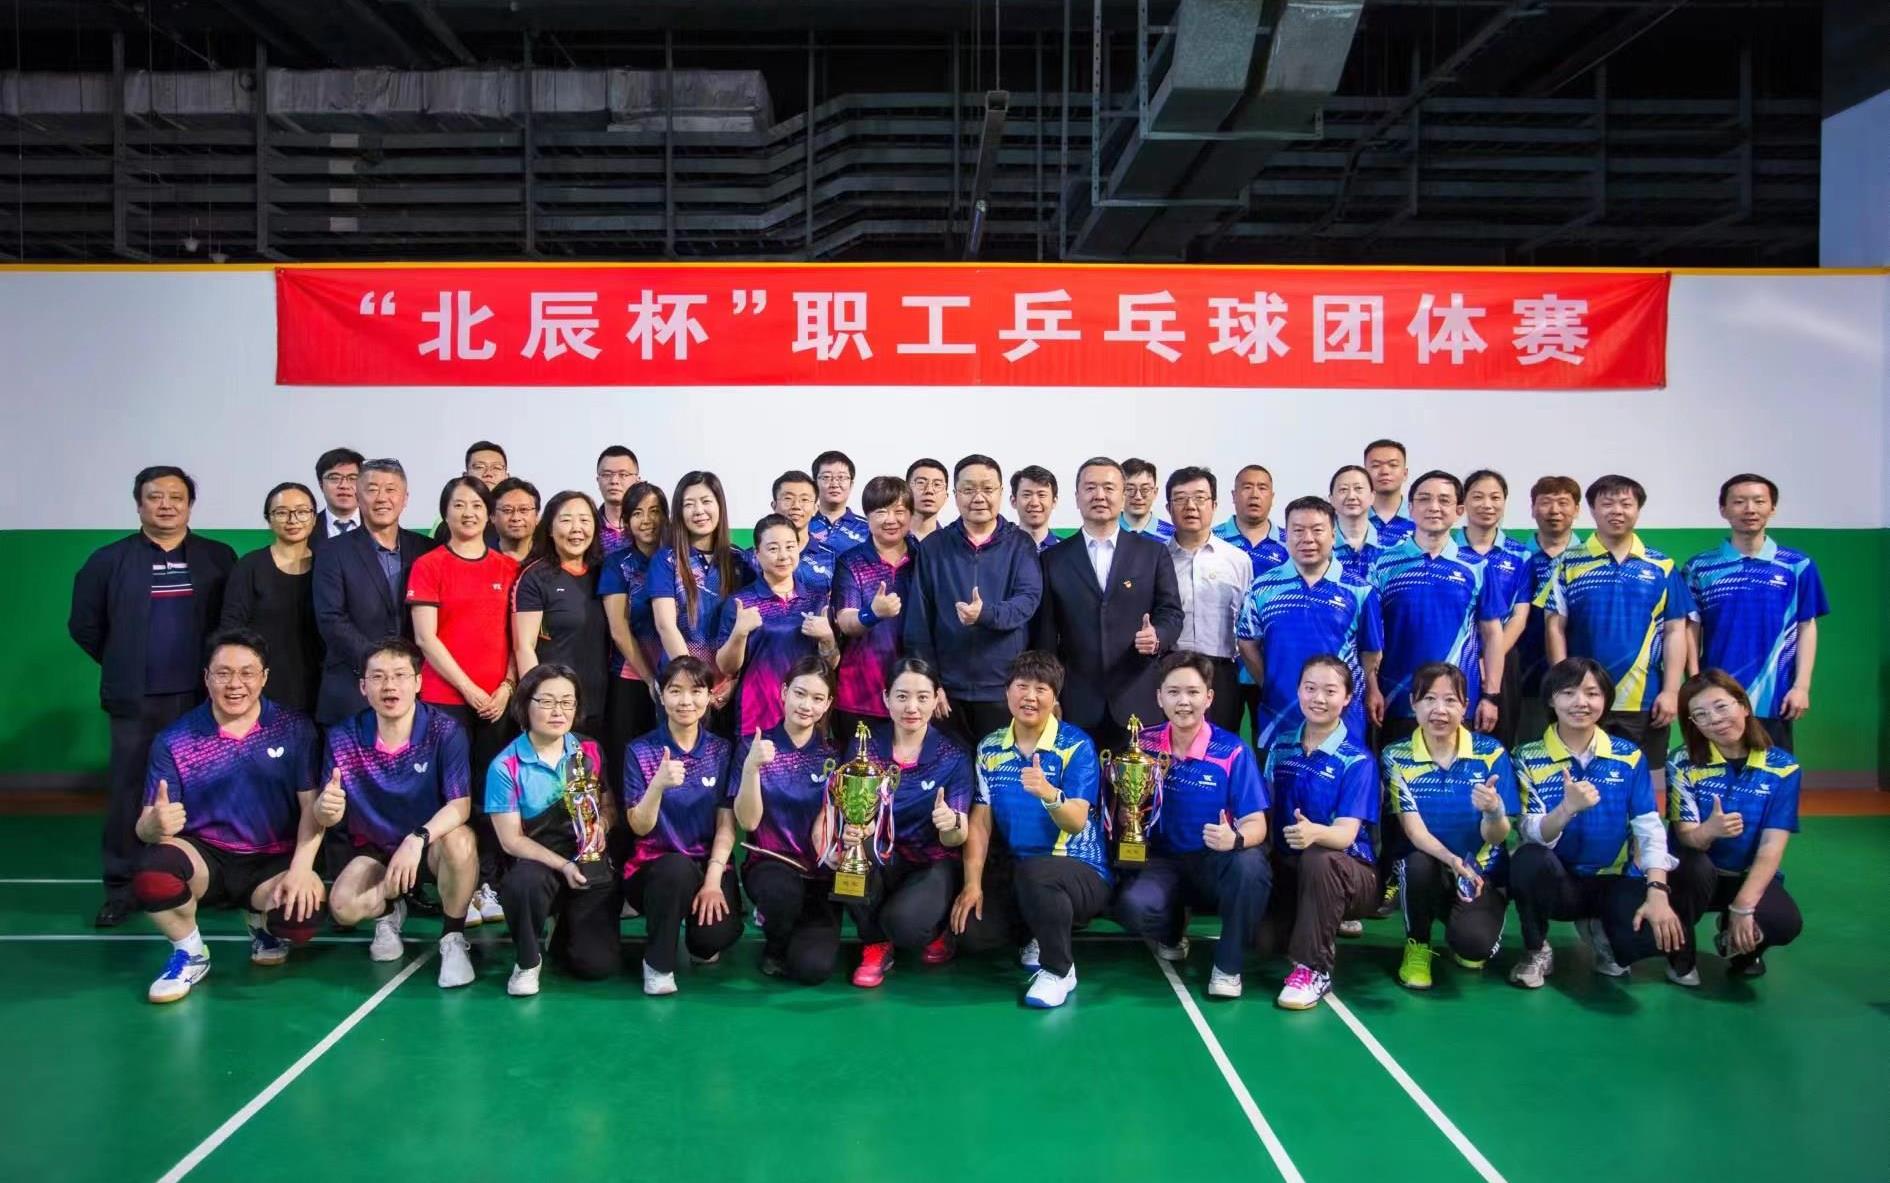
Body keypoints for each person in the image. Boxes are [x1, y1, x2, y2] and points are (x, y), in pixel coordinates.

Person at [70, 465, 237, 928]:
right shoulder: (108, 561)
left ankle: (204, 880)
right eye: (155, 497)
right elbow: (84, 626)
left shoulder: (218, 557)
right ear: (139, 504)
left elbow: (231, 623)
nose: (166, 505)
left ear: (190, 505)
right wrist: (125, 662)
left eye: (176, 497)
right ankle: (122, 887)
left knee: (207, 789)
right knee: (131, 790)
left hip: (204, 698)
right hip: (136, 700)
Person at [132, 629, 324, 1003]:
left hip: (272, 860)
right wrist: (153, 826)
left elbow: (310, 809)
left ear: (264, 677)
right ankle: (190, 953)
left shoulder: (294, 728)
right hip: (207, 859)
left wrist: (302, 869)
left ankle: (262, 924)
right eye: (223, 673)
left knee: (301, 919)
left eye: (247, 673)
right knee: (154, 872)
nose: (235, 684)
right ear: (207, 678)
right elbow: (145, 825)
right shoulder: (175, 739)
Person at [1507, 657, 1684, 989]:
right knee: (1527, 859)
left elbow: (1649, 827)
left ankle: (1598, 925)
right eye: (1568, 693)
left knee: (1645, 944)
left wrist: (1657, 890)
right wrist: (1566, 809)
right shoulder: (1526, 756)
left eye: (1592, 693)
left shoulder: (1628, 755)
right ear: (1551, 700)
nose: (1581, 702)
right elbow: (1531, 831)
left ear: (1605, 700)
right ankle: (1536, 948)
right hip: (1558, 883)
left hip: (1613, 880)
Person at [950, 652, 1108, 1009]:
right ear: (1007, 692)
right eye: (1022, 686)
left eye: (1041, 689)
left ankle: (1059, 971)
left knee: (1037, 874)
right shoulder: (990, 747)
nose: (1030, 697)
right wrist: (973, 884)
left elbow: (1076, 821)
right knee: (973, 932)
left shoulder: (1075, 745)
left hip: (1080, 871)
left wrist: (1050, 794)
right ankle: (1036, 932)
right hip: (1021, 871)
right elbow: (980, 821)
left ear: (1055, 697)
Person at [319, 639, 480, 989]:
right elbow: (327, 814)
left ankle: (452, 937)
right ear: (363, 687)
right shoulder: (343, 737)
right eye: (378, 677)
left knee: (461, 842)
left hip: (428, 844)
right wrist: (325, 809)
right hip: (374, 850)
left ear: (418, 682)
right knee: (343, 907)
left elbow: (460, 806)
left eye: (400, 675)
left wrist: (417, 838)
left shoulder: (445, 731)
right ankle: (390, 912)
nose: (389, 685)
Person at [1113, 652, 1272, 999]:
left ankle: (1228, 966)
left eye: (1193, 692)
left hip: (1214, 862)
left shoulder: (1232, 751)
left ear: (1209, 698)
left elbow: (1256, 823)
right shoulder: (1143, 746)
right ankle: (1172, 929)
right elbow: (1127, 805)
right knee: (1133, 908)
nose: (1183, 701)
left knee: (1250, 865)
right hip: (1162, 861)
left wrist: (1235, 838)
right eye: (1173, 692)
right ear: (1159, 698)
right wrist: (1128, 815)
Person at [408, 475, 520, 925]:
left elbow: (518, 638)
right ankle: (453, 884)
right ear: (445, 512)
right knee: (450, 793)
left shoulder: (507, 568)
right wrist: (470, 689)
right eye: (458, 505)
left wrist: (506, 686)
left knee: (493, 792)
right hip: (445, 699)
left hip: (497, 702)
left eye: (477, 505)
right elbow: (425, 638)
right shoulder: (429, 565)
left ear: (488, 514)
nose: (468, 513)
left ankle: (488, 882)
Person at [1381, 662, 1517, 991]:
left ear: (1465, 706)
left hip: (1479, 872)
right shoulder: (1395, 756)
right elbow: (1414, 831)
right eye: (1429, 699)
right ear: (1413, 704)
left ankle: (1463, 923)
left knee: (1474, 949)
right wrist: (1452, 860)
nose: (1439, 710)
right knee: (1415, 864)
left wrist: (1493, 812)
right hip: (1430, 863)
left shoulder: (1491, 753)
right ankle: (1418, 945)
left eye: (1450, 700)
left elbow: (1499, 836)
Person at [1545, 474, 1693, 773]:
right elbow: (1554, 627)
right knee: (1581, 777)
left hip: (1644, 700)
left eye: (1626, 504)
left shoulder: (1661, 566)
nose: (1617, 511)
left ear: (1637, 510)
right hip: (1582, 698)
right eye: (1607, 504)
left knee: (1646, 780)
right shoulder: (1567, 563)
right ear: (1592, 509)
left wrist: (1671, 691)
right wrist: (1564, 686)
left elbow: (1675, 631)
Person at [1033, 457, 1183, 750]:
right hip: (1076, 701)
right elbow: (1046, 637)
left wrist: (1157, 636)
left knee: (1138, 781)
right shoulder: (1053, 559)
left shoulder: (1152, 553)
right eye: (1090, 488)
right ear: (1077, 497)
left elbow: (1171, 612)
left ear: (1123, 495)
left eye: (1109, 488)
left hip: (1138, 697)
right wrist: (1050, 694)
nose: (1099, 495)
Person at [1664, 669, 1804, 984]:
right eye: (1700, 714)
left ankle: (1737, 943)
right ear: (1693, 724)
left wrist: (1743, 906)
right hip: (1696, 875)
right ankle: (1681, 956)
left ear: (1743, 705)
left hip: (1744, 876)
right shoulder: (1681, 762)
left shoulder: (1783, 767)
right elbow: (1687, 837)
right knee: (1693, 868)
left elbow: (1772, 847)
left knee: (1783, 922)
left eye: (1721, 706)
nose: (1714, 719)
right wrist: (1710, 830)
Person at [489, 664, 622, 995]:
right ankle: (528, 960)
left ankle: (565, 931)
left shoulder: (589, 749)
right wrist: (562, 866)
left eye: (566, 702)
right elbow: (511, 840)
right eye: (546, 701)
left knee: (596, 966)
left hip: (587, 862)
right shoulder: (505, 765)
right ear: (525, 705)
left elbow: (608, 805)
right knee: (523, 885)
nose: (557, 711)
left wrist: (603, 824)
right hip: (537, 862)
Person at [1260, 655, 1381, 1011]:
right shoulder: (1281, 746)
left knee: (1320, 858)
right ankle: (1308, 925)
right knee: (1264, 943)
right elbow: (1265, 808)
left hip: (1349, 871)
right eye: (1310, 688)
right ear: (1298, 691)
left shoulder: (1357, 760)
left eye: (1330, 691)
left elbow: (1344, 836)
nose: (1318, 698)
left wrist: (1315, 832)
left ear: (1347, 697)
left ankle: (1313, 969)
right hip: (1291, 867)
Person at [622, 657, 744, 995]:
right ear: (661, 696)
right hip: (655, 869)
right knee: (676, 870)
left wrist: (713, 881)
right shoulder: (640, 750)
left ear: (709, 696)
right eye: (675, 691)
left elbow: (726, 824)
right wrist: (657, 786)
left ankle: (697, 930)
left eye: (696, 691)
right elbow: (639, 827)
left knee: (710, 942)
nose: (685, 701)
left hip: (707, 866)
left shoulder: (722, 751)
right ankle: (658, 965)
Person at [847, 657, 973, 987]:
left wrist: (950, 823)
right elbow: (850, 809)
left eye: (922, 696)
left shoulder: (953, 755)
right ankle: (874, 944)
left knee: (905, 926)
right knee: (851, 860)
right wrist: (856, 829)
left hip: (931, 862)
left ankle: (936, 928)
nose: (911, 707)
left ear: (937, 698)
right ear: (886, 698)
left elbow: (957, 837)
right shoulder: (864, 747)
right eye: (902, 696)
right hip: (883, 856)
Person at [904, 454, 1044, 750]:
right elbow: (919, 623)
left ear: (1001, 493)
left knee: (999, 771)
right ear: (955, 495)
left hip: (1003, 690)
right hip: (947, 694)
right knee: (949, 773)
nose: (978, 498)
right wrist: (930, 683)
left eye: (987, 489)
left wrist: (986, 614)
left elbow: (1027, 601)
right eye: (968, 490)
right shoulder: (934, 547)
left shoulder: (1020, 544)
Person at [1682, 474, 1829, 751]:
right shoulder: (1699, 567)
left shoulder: (1797, 565)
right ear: (1723, 509)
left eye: (1759, 501)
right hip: (1715, 696)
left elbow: (1806, 626)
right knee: (1714, 770)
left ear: (1772, 508)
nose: (1750, 509)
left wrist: (1801, 687)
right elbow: (1691, 628)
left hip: (1775, 695)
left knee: (1771, 770)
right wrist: (1693, 682)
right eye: (1739, 502)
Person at [1369, 470, 1510, 751]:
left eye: (1444, 500)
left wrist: (1491, 696)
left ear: (1459, 510)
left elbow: (1493, 634)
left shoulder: (1477, 566)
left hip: (1457, 700)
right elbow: (1370, 637)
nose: (1434, 507)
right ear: (1411, 508)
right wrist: (1372, 687)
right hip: (1395, 700)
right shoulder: (1382, 563)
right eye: (1424, 499)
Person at [1236, 496, 1384, 749]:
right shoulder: (1263, 587)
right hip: (1279, 713)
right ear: (1286, 535)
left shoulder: (1359, 590)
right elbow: (1247, 642)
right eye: (1298, 530)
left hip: (1344, 715)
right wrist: (1271, 683)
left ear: (1333, 535)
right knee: (1278, 773)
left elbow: (1370, 653)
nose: (1308, 539)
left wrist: (1366, 687)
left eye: (1317, 530)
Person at [730, 658, 843, 984]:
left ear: (828, 704)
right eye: (800, 693)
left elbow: (840, 816)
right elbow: (748, 821)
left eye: (817, 698)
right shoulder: (753, 746)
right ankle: (775, 941)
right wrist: (751, 768)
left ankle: (798, 935)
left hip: (820, 875)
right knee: (781, 896)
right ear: (783, 693)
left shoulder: (835, 754)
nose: (806, 705)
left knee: (813, 970)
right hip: (771, 866)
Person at [312, 458, 434, 726]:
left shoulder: (427, 549)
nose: (381, 498)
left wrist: (407, 669)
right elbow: (331, 619)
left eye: (390, 489)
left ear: (405, 498)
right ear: (358, 496)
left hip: (417, 686)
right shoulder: (332, 551)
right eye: (372, 489)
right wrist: (379, 665)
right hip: (352, 686)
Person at [716, 514, 839, 737]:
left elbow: (830, 663)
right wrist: (739, 633)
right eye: (773, 548)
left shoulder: (817, 599)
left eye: (790, 547)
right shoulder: (741, 602)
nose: (783, 556)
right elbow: (726, 667)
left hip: (806, 715)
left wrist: (828, 638)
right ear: (757, 554)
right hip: (756, 715)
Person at [649, 471, 749, 732]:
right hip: (681, 689)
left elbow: (748, 628)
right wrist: (695, 686)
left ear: (719, 505)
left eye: (706, 501)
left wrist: (734, 681)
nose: (699, 511)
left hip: (727, 689)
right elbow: (665, 625)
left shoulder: (740, 560)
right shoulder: (666, 560)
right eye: (689, 504)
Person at [514, 491, 609, 745]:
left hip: (599, 701)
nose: (577, 528)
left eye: (585, 520)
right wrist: (537, 702)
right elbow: (524, 647)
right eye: (566, 520)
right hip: (555, 708)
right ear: (549, 528)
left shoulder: (604, 572)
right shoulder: (535, 576)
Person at [220, 482, 322, 715]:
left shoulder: (328, 565)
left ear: (314, 518)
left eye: (302, 512)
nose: (292, 520)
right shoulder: (250, 566)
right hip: (263, 681)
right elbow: (231, 627)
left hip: (319, 681)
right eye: (282, 512)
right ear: (268, 519)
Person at [1166, 468, 1254, 733]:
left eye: (1199, 498)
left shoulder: (1237, 560)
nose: (1190, 506)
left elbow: (1248, 623)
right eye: (1180, 499)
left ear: (1214, 505)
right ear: (1168, 508)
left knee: (1221, 745)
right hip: (1170, 669)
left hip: (1221, 673)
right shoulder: (1156, 559)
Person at [832, 476, 917, 740]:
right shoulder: (851, 562)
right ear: (867, 517)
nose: (891, 519)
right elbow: (845, 620)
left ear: (911, 515)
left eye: (899, 511)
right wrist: (872, 614)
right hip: (859, 693)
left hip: (913, 693)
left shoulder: (924, 558)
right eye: (881, 512)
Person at [1453, 469, 1533, 745]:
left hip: (1503, 656)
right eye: (1478, 497)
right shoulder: (1449, 548)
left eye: (1495, 498)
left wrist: (1490, 657)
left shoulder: (1520, 554)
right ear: (1463, 503)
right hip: (1456, 656)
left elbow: (1520, 616)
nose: (1487, 505)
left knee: (1497, 737)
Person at [601, 481, 669, 769]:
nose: (647, 520)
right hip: (631, 676)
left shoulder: (678, 559)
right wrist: (650, 679)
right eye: (638, 513)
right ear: (626, 520)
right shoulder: (618, 564)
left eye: (654, 511)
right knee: (628, 759)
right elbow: (618, 630)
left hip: (675, 676)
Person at [1511, 475, 1583, 746]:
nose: (1554, 510)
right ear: (1532, 509)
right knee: (1528, 750)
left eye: (1563, 503)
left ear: (1577, 509)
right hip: (1524, 678)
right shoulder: (1516, 559)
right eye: (1545, 503)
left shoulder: (1589, 560)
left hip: (1581, 679)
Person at [766, 470, 837, 592]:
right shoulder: (754, 558)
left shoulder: (831, 557)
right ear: (774, 505)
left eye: (804, 499)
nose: (796, 506)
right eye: (788, 498)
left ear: (815, 508)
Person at [1212, 464, 1289, 572]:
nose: (1254, 495)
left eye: (1262, 488)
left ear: (1272, 498)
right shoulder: (1212, 538)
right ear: (1234, 496)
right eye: (1247, 488)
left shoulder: (1290, 541)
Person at [432, 441, 508, 546]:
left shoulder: (517, 517)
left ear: (507, 476)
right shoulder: (449, 518)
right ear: (465, 475)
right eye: (479, 467)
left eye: (497, 468)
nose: (488, 473)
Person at [810, 449, 873, 558]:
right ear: (815, 484)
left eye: (841, 477)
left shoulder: (868, 528)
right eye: (826, 477)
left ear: (851, 484)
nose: (834, 484)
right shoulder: (802, 525)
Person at [1328, 464, 1384, 583]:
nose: (1351, 496)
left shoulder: (1392, 545)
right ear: (1331, 499)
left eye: (1358, 488)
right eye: (1343, 489)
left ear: (1372, 497)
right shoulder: (1319, 546)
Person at [1363, 438, 1416, 548]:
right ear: (1364, 474)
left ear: (1405, 473)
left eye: (1393, 465)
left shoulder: (1420, 516)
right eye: (1376, 466)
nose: (1384, 471)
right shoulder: (1352, 516)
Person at [311, 446, 365, 549]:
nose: (344, 485)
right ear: (321, 485)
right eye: (334, 478)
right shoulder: (307, 528)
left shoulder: (378, 526)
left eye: (353, 478)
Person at [594, 446, 641, 553]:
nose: (614, 481)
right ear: (598, 480)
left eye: (623, 475)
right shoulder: (590, 527)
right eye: (607, 475)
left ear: (637, 481)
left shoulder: (651, 526)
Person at [1119, 457, 1174, 541]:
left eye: (1145, 489)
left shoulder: (1172, 535)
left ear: (1155, 493)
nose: (1138, 496)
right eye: (1130, 489)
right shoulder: (1108, 530)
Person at [1010, 465, 1061, 553]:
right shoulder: (1000, 549)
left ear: (1054, 502)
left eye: (1042, 495)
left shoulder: (1067, 550)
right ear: (1013, 501)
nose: (1034, 503)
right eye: (1026, 495)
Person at [491, 477, 541, 565]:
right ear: (492, 516)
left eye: (524, 509)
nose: (516, 518)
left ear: (537, 516)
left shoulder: (550, 559)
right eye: (507, 510)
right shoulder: (480, 558)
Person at [905, 457, 951, 541]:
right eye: (921, 483)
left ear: (946, 497)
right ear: (905, 492)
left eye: (937, 484)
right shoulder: (885, 538)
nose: (929, 490)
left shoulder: (951, 543)